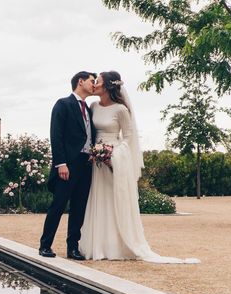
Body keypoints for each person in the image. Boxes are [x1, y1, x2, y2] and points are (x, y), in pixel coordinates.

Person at [79, 71, 199, 264]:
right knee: (98, 199)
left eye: (98, 82)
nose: (94, 85)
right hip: (96, 162)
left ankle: (116, 245)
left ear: (108, 86)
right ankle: (98, 245)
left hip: (114, 160)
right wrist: (96, 153)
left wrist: (114, 155)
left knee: (113, 199)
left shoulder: (121, 110)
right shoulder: (92, 106)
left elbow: (128, 137)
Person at [39, 71, 97, 260]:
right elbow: (56, 136)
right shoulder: (63, 104)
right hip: (67, 165)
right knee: (58, 205)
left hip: (86, 165)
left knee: (79, 208)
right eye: (91, 81)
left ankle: (73, 248)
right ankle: (45, 245)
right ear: (80, 82)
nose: (94, 84)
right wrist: (61, 164)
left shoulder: (89, 109)